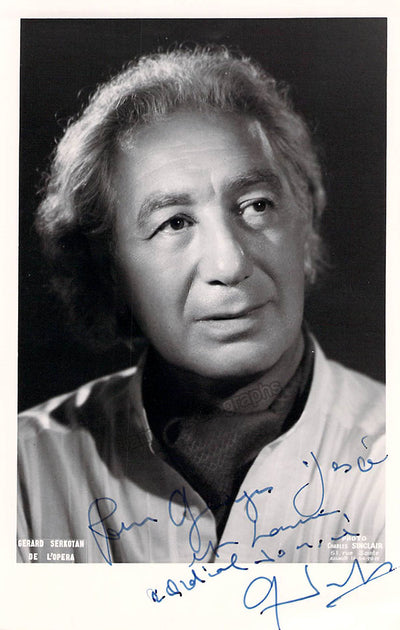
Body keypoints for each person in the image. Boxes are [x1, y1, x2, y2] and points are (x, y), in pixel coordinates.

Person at [17, 47, 385, 564]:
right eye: (174, 222)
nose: (230, 264)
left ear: (305, 223)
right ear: (108, 266)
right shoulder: (23, 471)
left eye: (256, 206)